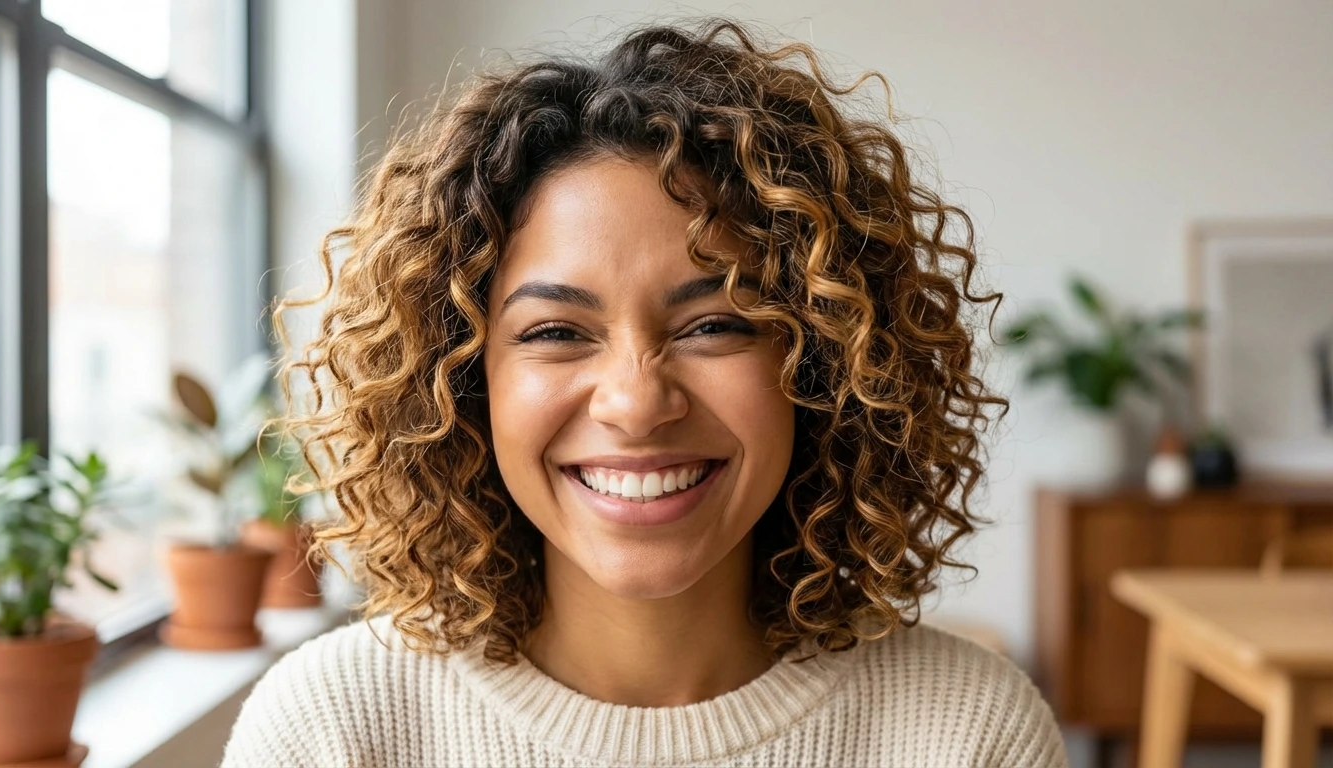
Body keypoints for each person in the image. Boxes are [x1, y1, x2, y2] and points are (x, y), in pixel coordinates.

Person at [222, 18, 1067, 768]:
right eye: (556, 333)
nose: (635, 403)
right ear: (462, 381)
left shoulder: (968, 735)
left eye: (713, 326)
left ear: (822, 366)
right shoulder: (332, 730)